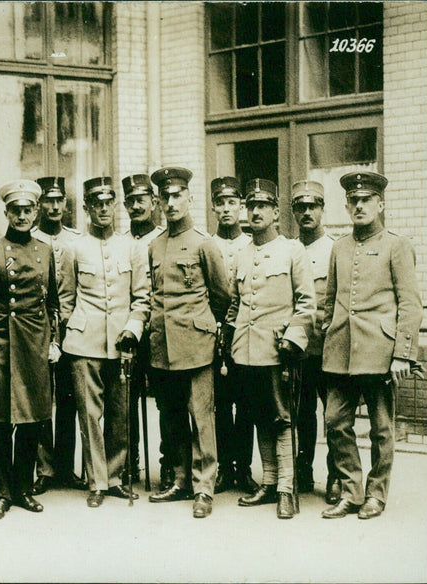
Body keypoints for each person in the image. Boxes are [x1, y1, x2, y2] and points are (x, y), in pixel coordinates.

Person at [321, 171, 423, 520]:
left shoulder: (397, 245)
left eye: (366, 200)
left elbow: (410, 304)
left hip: (380, 353)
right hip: (340, 351)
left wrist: (402, 355)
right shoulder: (339, 247)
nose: (359, 205)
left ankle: (376, 495)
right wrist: (326, 327)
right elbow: (329, 299)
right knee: (335, 422)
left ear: (380, 204)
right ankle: (351, 491)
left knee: (381, 429)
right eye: (354, 200)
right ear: (347, 205)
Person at [224, 178, 316, 520]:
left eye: (263, 206)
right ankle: (269, 481)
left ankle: (286, 489)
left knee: (282, 419)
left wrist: (293, 339)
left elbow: (307, 303)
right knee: (261, 416)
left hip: (279, 350)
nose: (256, 212)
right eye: (251, 206)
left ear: (276, 212)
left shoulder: (293, 250)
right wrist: (228, 340)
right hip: (246, 351)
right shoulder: (243, 253)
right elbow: (236, 303)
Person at [0, 179, 61, 521]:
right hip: (2, 343)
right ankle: (3, 493)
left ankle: (22, 488)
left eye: (28, 210)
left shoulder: (46, 251)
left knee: (32, 421)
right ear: (6, 213)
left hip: (35, 344)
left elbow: (53, 303)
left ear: (36, 212)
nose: (22, 216)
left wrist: (54, 342)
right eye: (16, 210)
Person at [145, 167, 230, 518]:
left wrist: (207, 328)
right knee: (171, 417)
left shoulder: (204, 243)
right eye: (165, 196)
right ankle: (179, 480)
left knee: (202, 418)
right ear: (159, 201)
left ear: (189, 198)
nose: (171, 202)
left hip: (196, 344)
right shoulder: (154, 245)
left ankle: (204, 486)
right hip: (162, 346)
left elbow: (222, 295)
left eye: (177, 195)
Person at [62, 176, 150, 508]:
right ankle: (96, 480)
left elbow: (142, 297)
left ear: (115, 206)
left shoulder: (132, 247)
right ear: (86, 209)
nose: (102, 209)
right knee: (89, 414)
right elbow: (67, 298)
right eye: (95, 204)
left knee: (121, 413)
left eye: (107, 203)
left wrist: (133, 328)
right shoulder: (75, 248)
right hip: (84, 343)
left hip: (122, 341)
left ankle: (115, 477)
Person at [31, 176, 85, 495]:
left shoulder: (77, 241)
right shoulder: (30, 238)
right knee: (41, 398)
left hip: (72, 328)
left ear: (65, 203)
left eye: (59, 200)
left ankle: (66, 467)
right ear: (39, 204)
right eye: (48, 200)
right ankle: (45, 468)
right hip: (38, 330)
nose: (53, 206)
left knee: (69, 399)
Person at [209, 176, 259, 495]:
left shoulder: (252, 244)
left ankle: (244, 468)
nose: (226, 209)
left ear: (241, 206)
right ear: (213, 207)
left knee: (248, 404)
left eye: (231, 202)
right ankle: (224, 468)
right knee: (220, 405)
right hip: (214, 333)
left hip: (245, 331)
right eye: (220, 203)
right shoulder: (206, 243)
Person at [290, 180, 339, 503]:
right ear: (294, 212)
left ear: (323, 209)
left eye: (313, 206)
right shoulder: (289, 249)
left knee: (334, 416)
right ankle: (302, 470)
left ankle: (335, 476)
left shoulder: (335, 249)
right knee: (301, 413)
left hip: (330, 348)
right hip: (299, 350)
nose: (307, 213)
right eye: (300, 207)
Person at [121, 173, 165, 488]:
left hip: (160, 331)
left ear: (153, 202)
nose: (137, 206)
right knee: (126, 398)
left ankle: (171, 465)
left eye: (142, 200)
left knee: (166, 400)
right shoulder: (121, 242)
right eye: (131, 201)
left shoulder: (164, 238)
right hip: (130, 331)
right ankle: (129, 463)